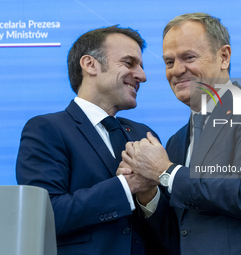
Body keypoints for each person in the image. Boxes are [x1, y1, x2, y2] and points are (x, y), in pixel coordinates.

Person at [119, 13, 241, 255]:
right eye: (169, 62)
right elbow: (180, 234)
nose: (177, 70)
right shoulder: (176, 141)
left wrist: (166, 172)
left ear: (224, 57)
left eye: (188, 57)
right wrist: (147, 192)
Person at [16, 25, 167, 255]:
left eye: (141, 67)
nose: (142, 76)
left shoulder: (145, 134)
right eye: (129, 63)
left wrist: (149, 197)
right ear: (90, 64)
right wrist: (128, 186)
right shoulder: (46, 129)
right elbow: (43, 216)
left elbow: (171, 229)